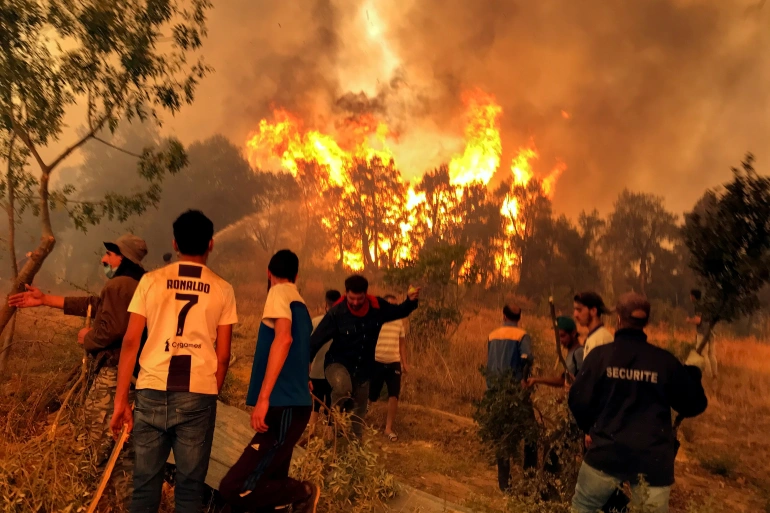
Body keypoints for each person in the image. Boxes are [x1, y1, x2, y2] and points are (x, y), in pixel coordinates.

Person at [110, 210, 238, 513]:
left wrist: (120, 402)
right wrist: (210, 392)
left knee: (144, 487)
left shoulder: (151, 281)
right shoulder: (223, 288)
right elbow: (224, 354)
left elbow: (130, 342)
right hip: (198, 396)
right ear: (211, 244)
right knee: (189, 491)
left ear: (174, 243)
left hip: (151, 390)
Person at [9, 234, 148, 507]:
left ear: (123, 258)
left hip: (112, 378)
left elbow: (112, 329)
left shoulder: (119, 285)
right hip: (134, 380)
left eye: (109, 254)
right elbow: (97, 306)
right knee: (122, 452)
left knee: (94, 448)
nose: (104, 259)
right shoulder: (139, 284)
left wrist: (89, 338)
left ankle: (85, 502)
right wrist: (46, 299)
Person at [568, 292, 707, 513]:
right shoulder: (665, 362)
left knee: (584, 507)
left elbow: (577, 400)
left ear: (618, 319)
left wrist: (591, 429)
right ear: (647, 322)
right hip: (652, 461)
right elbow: (694, 405)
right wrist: (693, 372)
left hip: (606, 453)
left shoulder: (600, 356)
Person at [219, 249, 319, 513]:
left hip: (283, 407)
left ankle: (304, 492)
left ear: (269, 273)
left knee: (235, 486)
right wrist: (303, 378)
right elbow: (300, 350)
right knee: (270, 482)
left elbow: (284, 339)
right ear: (296, 275)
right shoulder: (301, 304)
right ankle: (291, 499)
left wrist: (263, 398)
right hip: (293, 406)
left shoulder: (278, 292)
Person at [310, 275, 420, 440]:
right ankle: (334, 422)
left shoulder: (377, 307)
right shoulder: (337, 312)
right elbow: (315, 340)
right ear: (346, 293)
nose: (355, 302)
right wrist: (306, 365)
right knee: (342, 387)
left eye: (359, 298)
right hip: (337, 364)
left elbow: (399, 311)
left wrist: (410, 301)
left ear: (365, 294)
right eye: (351, 298)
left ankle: (355, 445)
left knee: (359, 411)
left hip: (363, 369)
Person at [486, 304, 536, 492]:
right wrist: (525, 379)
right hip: (516, 393)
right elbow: (527, 358)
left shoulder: (492, 335)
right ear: (519, 317)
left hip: (495, 392)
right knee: (531, 434)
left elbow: (489, 364)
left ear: (504, 315)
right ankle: (530, 478)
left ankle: (504, 484)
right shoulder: (522, 335)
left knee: (503, 436)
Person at [368, 294, 409, 442]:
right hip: (377, 361)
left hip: (394, 362)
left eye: (395, 305)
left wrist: (404, 363)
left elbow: (402, 344)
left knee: (394, 395)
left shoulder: (399, 322)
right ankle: (362, 421)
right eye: (390, 305)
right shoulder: (376, 319)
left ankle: (388, 428)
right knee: (372, 395)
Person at [308, 289, 341, 433]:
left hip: (316, 371)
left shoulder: (315, 322)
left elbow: (307, 347)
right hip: (334, 373)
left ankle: (311, 434)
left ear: (325, 305)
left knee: (315, 404)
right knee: (331, 404)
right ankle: (328, 438)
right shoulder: (343, 325)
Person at [527, 316, 583, 388]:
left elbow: (584, 381)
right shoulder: (572, 353)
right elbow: (562, 381)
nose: (560, 340)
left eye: (563, 336)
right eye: (558, 337)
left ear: (573, 333)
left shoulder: (579, 352)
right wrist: (536, 380)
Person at [686, 289, 716, 378]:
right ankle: (715, 375)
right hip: (711, 331)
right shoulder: (707, 305)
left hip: (703, 333)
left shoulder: (698, 306)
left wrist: (689, 320)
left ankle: (709, 376)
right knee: (712, 354)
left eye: (690, 296)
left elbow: (698, 321)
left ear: (693, 297)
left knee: (704, 355)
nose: (690, 297)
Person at [573, 292, 614, 357]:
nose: (575, 314)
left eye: (579, 310)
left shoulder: (601, 340)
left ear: (593, 311)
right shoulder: (594, 337)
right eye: (575, 310)